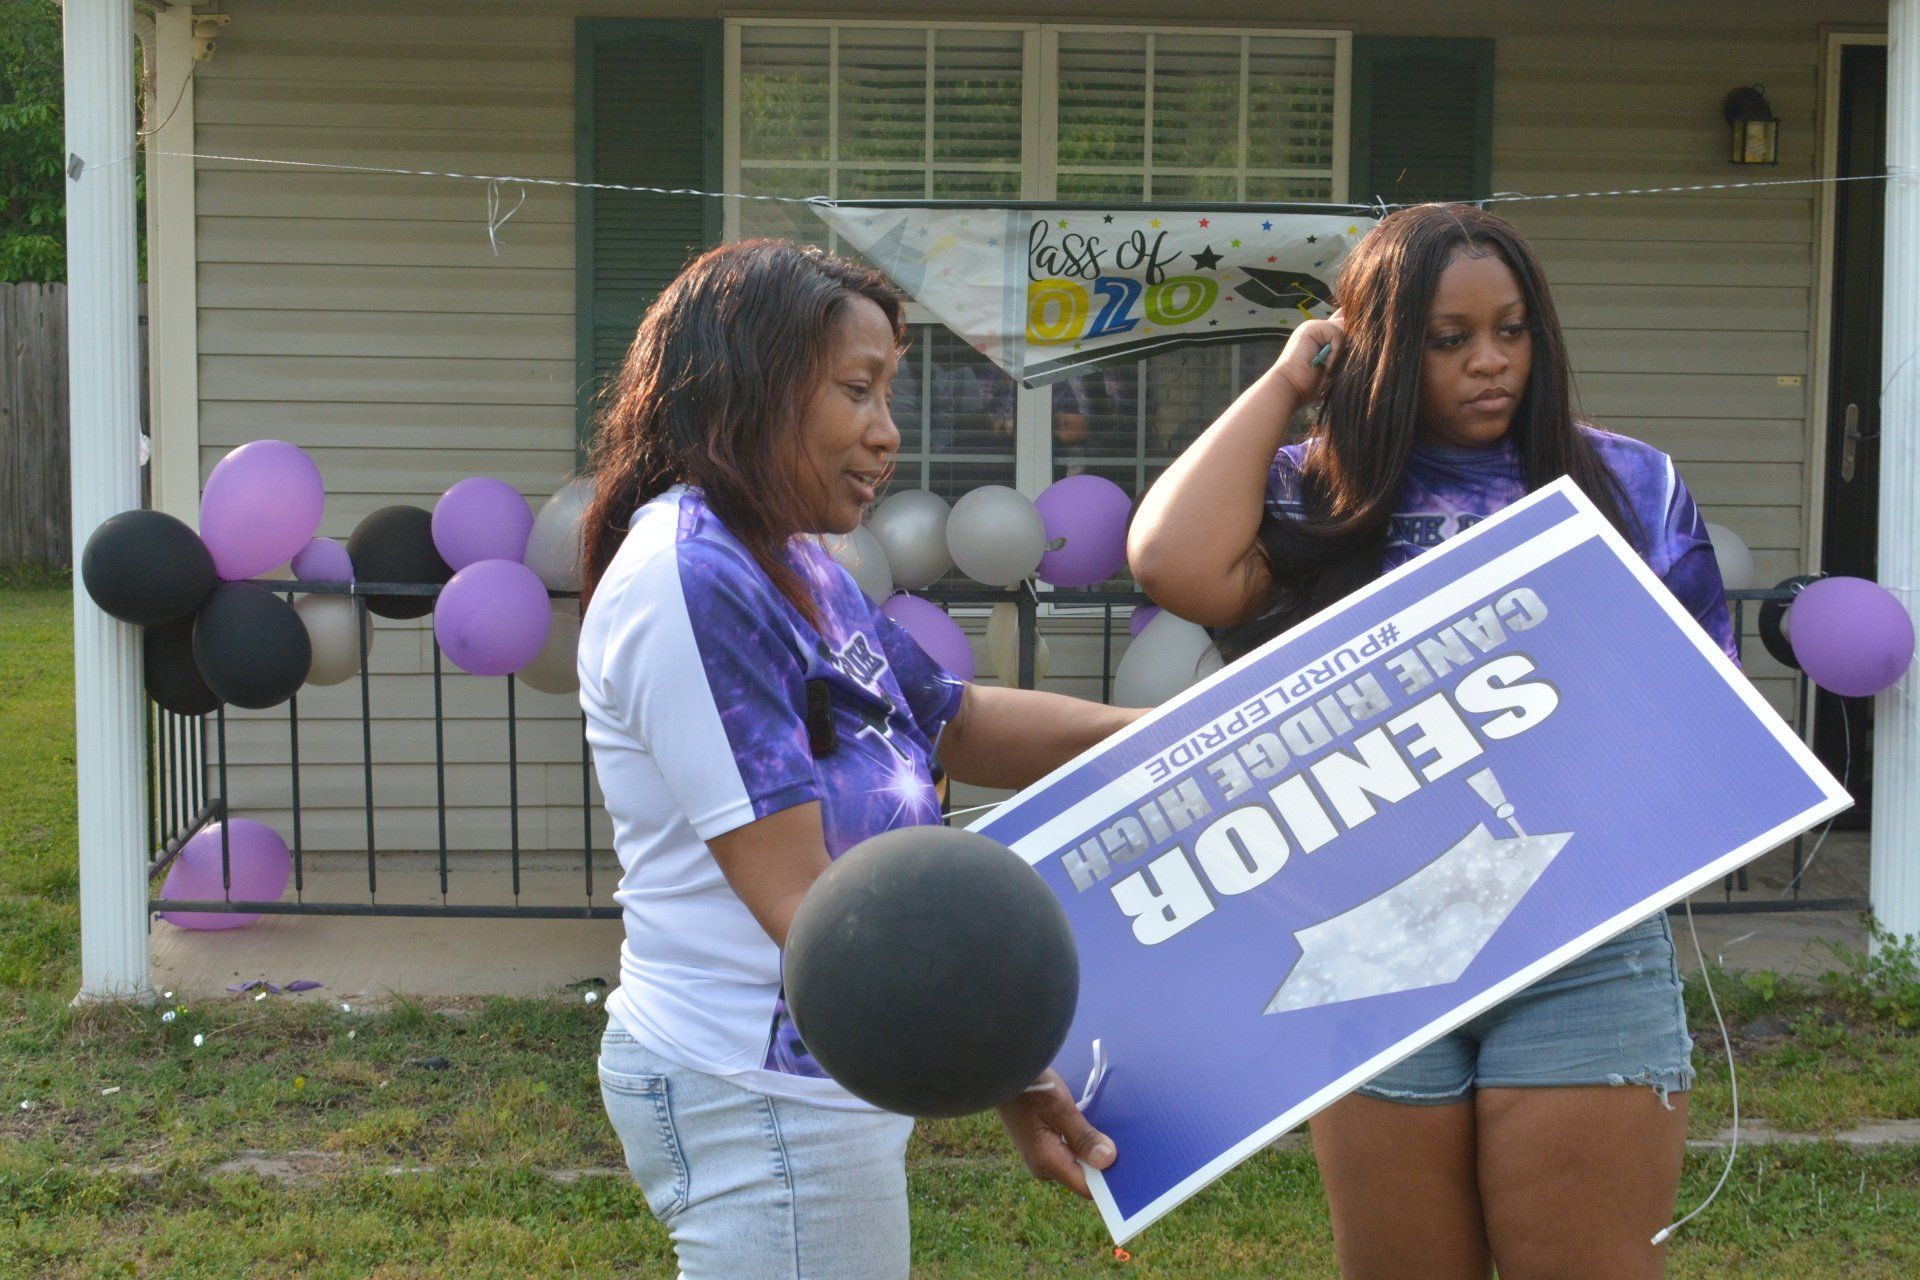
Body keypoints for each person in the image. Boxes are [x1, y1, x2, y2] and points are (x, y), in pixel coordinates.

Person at [1129, 203, 1733, 1280]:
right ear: (1378, 352)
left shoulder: (1630, 482)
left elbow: (1703, 706)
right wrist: (1287, 382)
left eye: (1511, 329)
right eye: (1448, 339)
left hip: (1581, 931)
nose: (1489, 361)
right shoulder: (1317, 487)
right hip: (1376, 939)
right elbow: (1172, 563)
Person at [575, 239, 1135, 1280]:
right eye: (856, 390)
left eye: (889, 393)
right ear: (751, 387)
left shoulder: (790, 556)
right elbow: (812, 912)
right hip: (763, 1090)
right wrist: (1007, 1066)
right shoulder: (694, 578)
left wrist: (1176, 735)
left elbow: (951, 719)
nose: (887, 432)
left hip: (822, 1070)